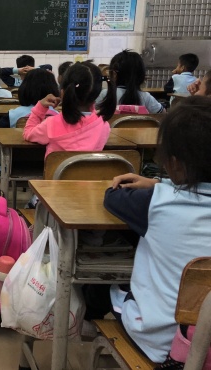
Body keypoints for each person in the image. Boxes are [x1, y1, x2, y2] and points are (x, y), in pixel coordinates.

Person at [85, 97, 211, 363]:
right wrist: (161, 183)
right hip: (206, 346)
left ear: (174, 163)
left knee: (106, 279)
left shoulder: (155, 202)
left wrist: (159, 185)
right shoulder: (160, 195)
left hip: (162, 342)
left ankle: (84, 320)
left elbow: (112, 197)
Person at [23, 62, 117, 156]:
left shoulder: (52, 124)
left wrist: (40, 107)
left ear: (63, 92)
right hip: (90, 166)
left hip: (58, 166)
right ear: (97, 93)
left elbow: (28, 134)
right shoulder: (104, 126)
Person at [97, 49, 165, 114]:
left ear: (114, 74)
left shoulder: (105, 94)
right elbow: (162, 114)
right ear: (141, 75)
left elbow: (93, 113)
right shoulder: (146, 97)